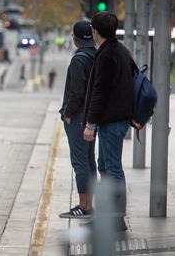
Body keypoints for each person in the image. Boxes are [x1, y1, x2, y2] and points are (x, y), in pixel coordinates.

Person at [83, 13, 135, 232]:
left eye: (93, 29)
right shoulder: (120, 50)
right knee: (105, 166)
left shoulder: (106, 55)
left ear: (96, 30)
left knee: (112, 169)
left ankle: (116, 217)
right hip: (117, 119)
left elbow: (100, 92)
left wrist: (90, 124)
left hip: (111, 121)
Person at [58, 21, 97, 219]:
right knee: (89, 161)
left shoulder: (78, 60)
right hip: (92, 116)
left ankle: (84, 206)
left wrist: (67, 112)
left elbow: (76, 91)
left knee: (79, 162)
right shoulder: (96, 55)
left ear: (75, 38)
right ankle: (89, 203)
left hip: (79, 116)